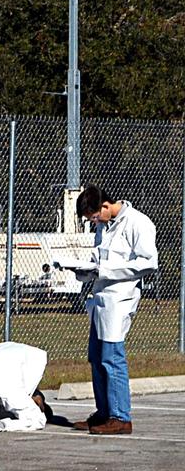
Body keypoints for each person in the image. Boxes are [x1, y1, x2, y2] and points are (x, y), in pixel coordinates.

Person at [67, 185, 158, 435]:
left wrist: (106, 271)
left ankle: (120, 416)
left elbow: (148, 262)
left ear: (105, 206)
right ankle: (104, 412)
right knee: (96, 357)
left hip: (120, 299)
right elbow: (100, 262)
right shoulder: (104, 227)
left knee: (112, 357)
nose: (94, 222)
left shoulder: (138, 222)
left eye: (95, 217)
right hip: (100, 299)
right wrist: (84, 271)